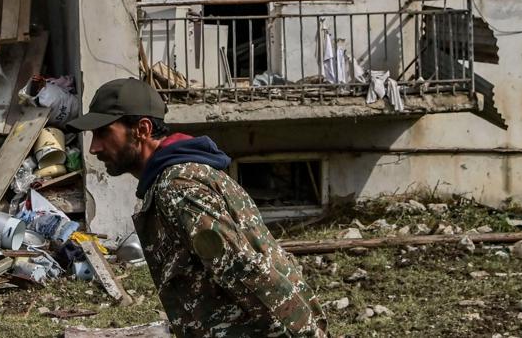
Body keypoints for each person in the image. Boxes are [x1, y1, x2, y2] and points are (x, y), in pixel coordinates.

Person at [68, 78, 328, 338]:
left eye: (104, 132)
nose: (94, 147)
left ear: (142, 129)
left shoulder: (177, 187)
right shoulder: (186, 174)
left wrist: (304, 332)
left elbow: (240, 267)